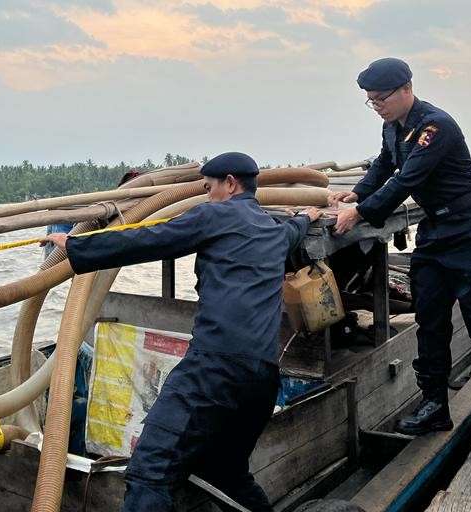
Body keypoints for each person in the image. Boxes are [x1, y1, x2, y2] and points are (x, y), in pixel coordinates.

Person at [43, 152, 321, 511]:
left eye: (209, 188)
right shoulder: (274, 230)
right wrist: (307, 215)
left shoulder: (214, 214)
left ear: (231, 184)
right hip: (263, 380)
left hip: (214, 371)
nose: (207, 196)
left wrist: (76, 246)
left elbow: (149, 239)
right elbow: (295, 230)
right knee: (228, 473)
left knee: (148, 473)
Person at [328, 58, 471, 439]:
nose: (377, 107)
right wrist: (356, 193)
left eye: (381, 99)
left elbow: (408, 179)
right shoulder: (393, 127)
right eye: (371, 101)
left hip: (470, 231)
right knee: (430, 320)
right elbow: (385, 165)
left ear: (406, 89)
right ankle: (435, 405)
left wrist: (360, 213)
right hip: (436, 233)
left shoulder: (435, 127)